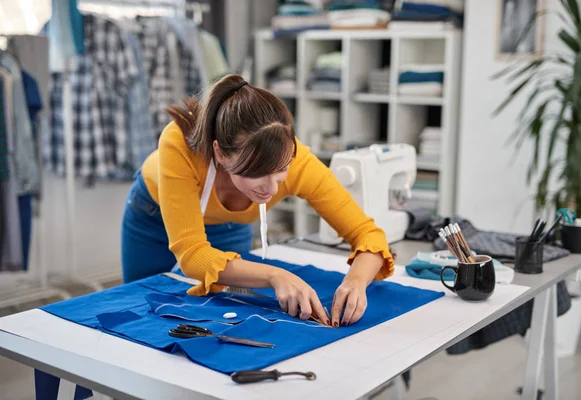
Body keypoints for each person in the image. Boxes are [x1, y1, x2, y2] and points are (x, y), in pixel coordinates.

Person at [121, 74, 395, 327]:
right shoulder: (180, 143)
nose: (271, 188)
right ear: (220, 153)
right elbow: (193, 256)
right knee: (142, 315)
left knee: (224, 319)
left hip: (229, 226)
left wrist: (356, 282)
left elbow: (368, 234)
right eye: (256, 174)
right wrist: (276, 276)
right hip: (153, 219)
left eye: (281, 171)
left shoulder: (299, 164)